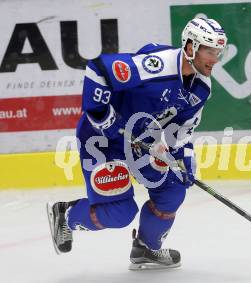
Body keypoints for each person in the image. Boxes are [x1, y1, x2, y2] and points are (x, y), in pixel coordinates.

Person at [47, 17, 228, 270]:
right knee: (120, 212)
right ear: (190, 48)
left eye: (219, 52)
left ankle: (145, 248)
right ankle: (66, 215)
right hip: (101, 140)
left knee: (173, 189)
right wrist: (104, 117)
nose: (215, 59)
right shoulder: (157, 66)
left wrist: (183, 159)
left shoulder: (201, 88)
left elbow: (181, 131)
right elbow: (98, 69)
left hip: (140, 140)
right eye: (210, 51)